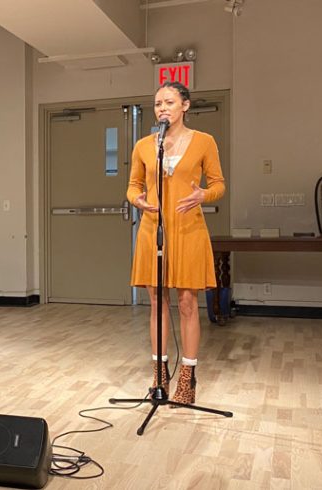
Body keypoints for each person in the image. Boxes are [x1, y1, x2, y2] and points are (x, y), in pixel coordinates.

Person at [126, 82, 226, 405]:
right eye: (157, 104)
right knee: (158, 304)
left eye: (169, 102)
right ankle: (159, 374)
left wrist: (204, 195)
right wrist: (137, 201)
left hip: (188, 230)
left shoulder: (204, 142)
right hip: (152, 229)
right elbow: (132, 186)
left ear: (185, 105)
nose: (162, 108)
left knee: (186, 303)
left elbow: (219, 185)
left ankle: (188, 375)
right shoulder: (144, 145)